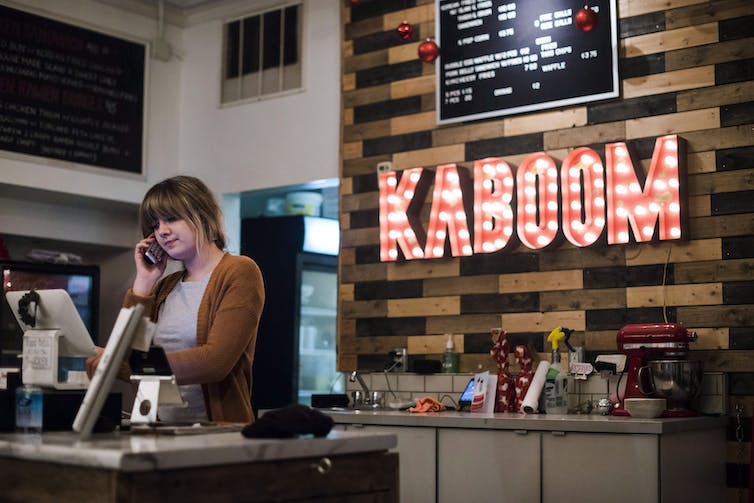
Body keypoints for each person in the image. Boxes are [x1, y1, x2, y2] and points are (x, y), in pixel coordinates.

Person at [86, 175, 264, 424]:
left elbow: (215, 362)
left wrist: (119, 364)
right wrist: (144, 284)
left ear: (203, 215)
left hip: (218, 436)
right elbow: (129, 350)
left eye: (171, 218)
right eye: (155, 225)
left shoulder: (239, 271)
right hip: (162, 431)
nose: (162, 232)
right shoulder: (165, 287)